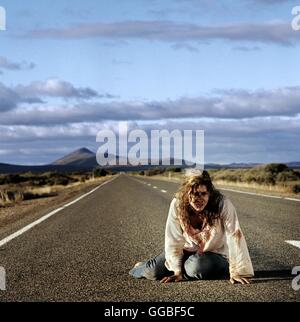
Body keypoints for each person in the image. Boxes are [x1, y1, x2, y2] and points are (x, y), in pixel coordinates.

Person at [129, 169, 254, 284]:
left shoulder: (222, 204)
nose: (199, 199)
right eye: (194, 194)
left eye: (203, 194)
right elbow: (173, 239)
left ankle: (190, 269)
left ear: (209, 193)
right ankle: (142, 266)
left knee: (196, 267)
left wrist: (237, 271)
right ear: (185, 193)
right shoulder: (177, 204)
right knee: (153, 271)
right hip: (186, 250)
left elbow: (235, 235)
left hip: (214, 254)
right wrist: (177, 272)